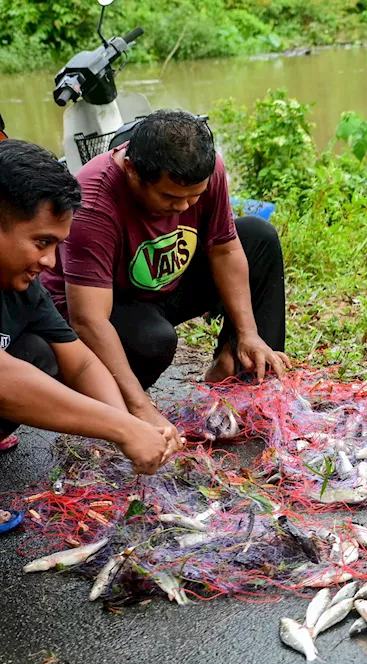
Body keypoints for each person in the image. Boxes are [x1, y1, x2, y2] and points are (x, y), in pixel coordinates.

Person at [41, 110, 290, 441]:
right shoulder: (94, 198)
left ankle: (238, 373)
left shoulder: (207, 169)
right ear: (131, 170)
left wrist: (247, 332)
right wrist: (141, 407)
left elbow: (224, 249)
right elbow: (89, 320)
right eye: (170, 197)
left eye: (194, 196)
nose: (185, 207)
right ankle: (110, 404)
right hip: (104, 304)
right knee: (154, 340)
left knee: (259, 237)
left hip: (165, 282)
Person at [0, 140, 177, 531]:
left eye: (57, 246)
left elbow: (78, 360)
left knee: (39, 353)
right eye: (41, 242)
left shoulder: (26, 288)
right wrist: (123, 428)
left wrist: (128, 424)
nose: (49, 262)